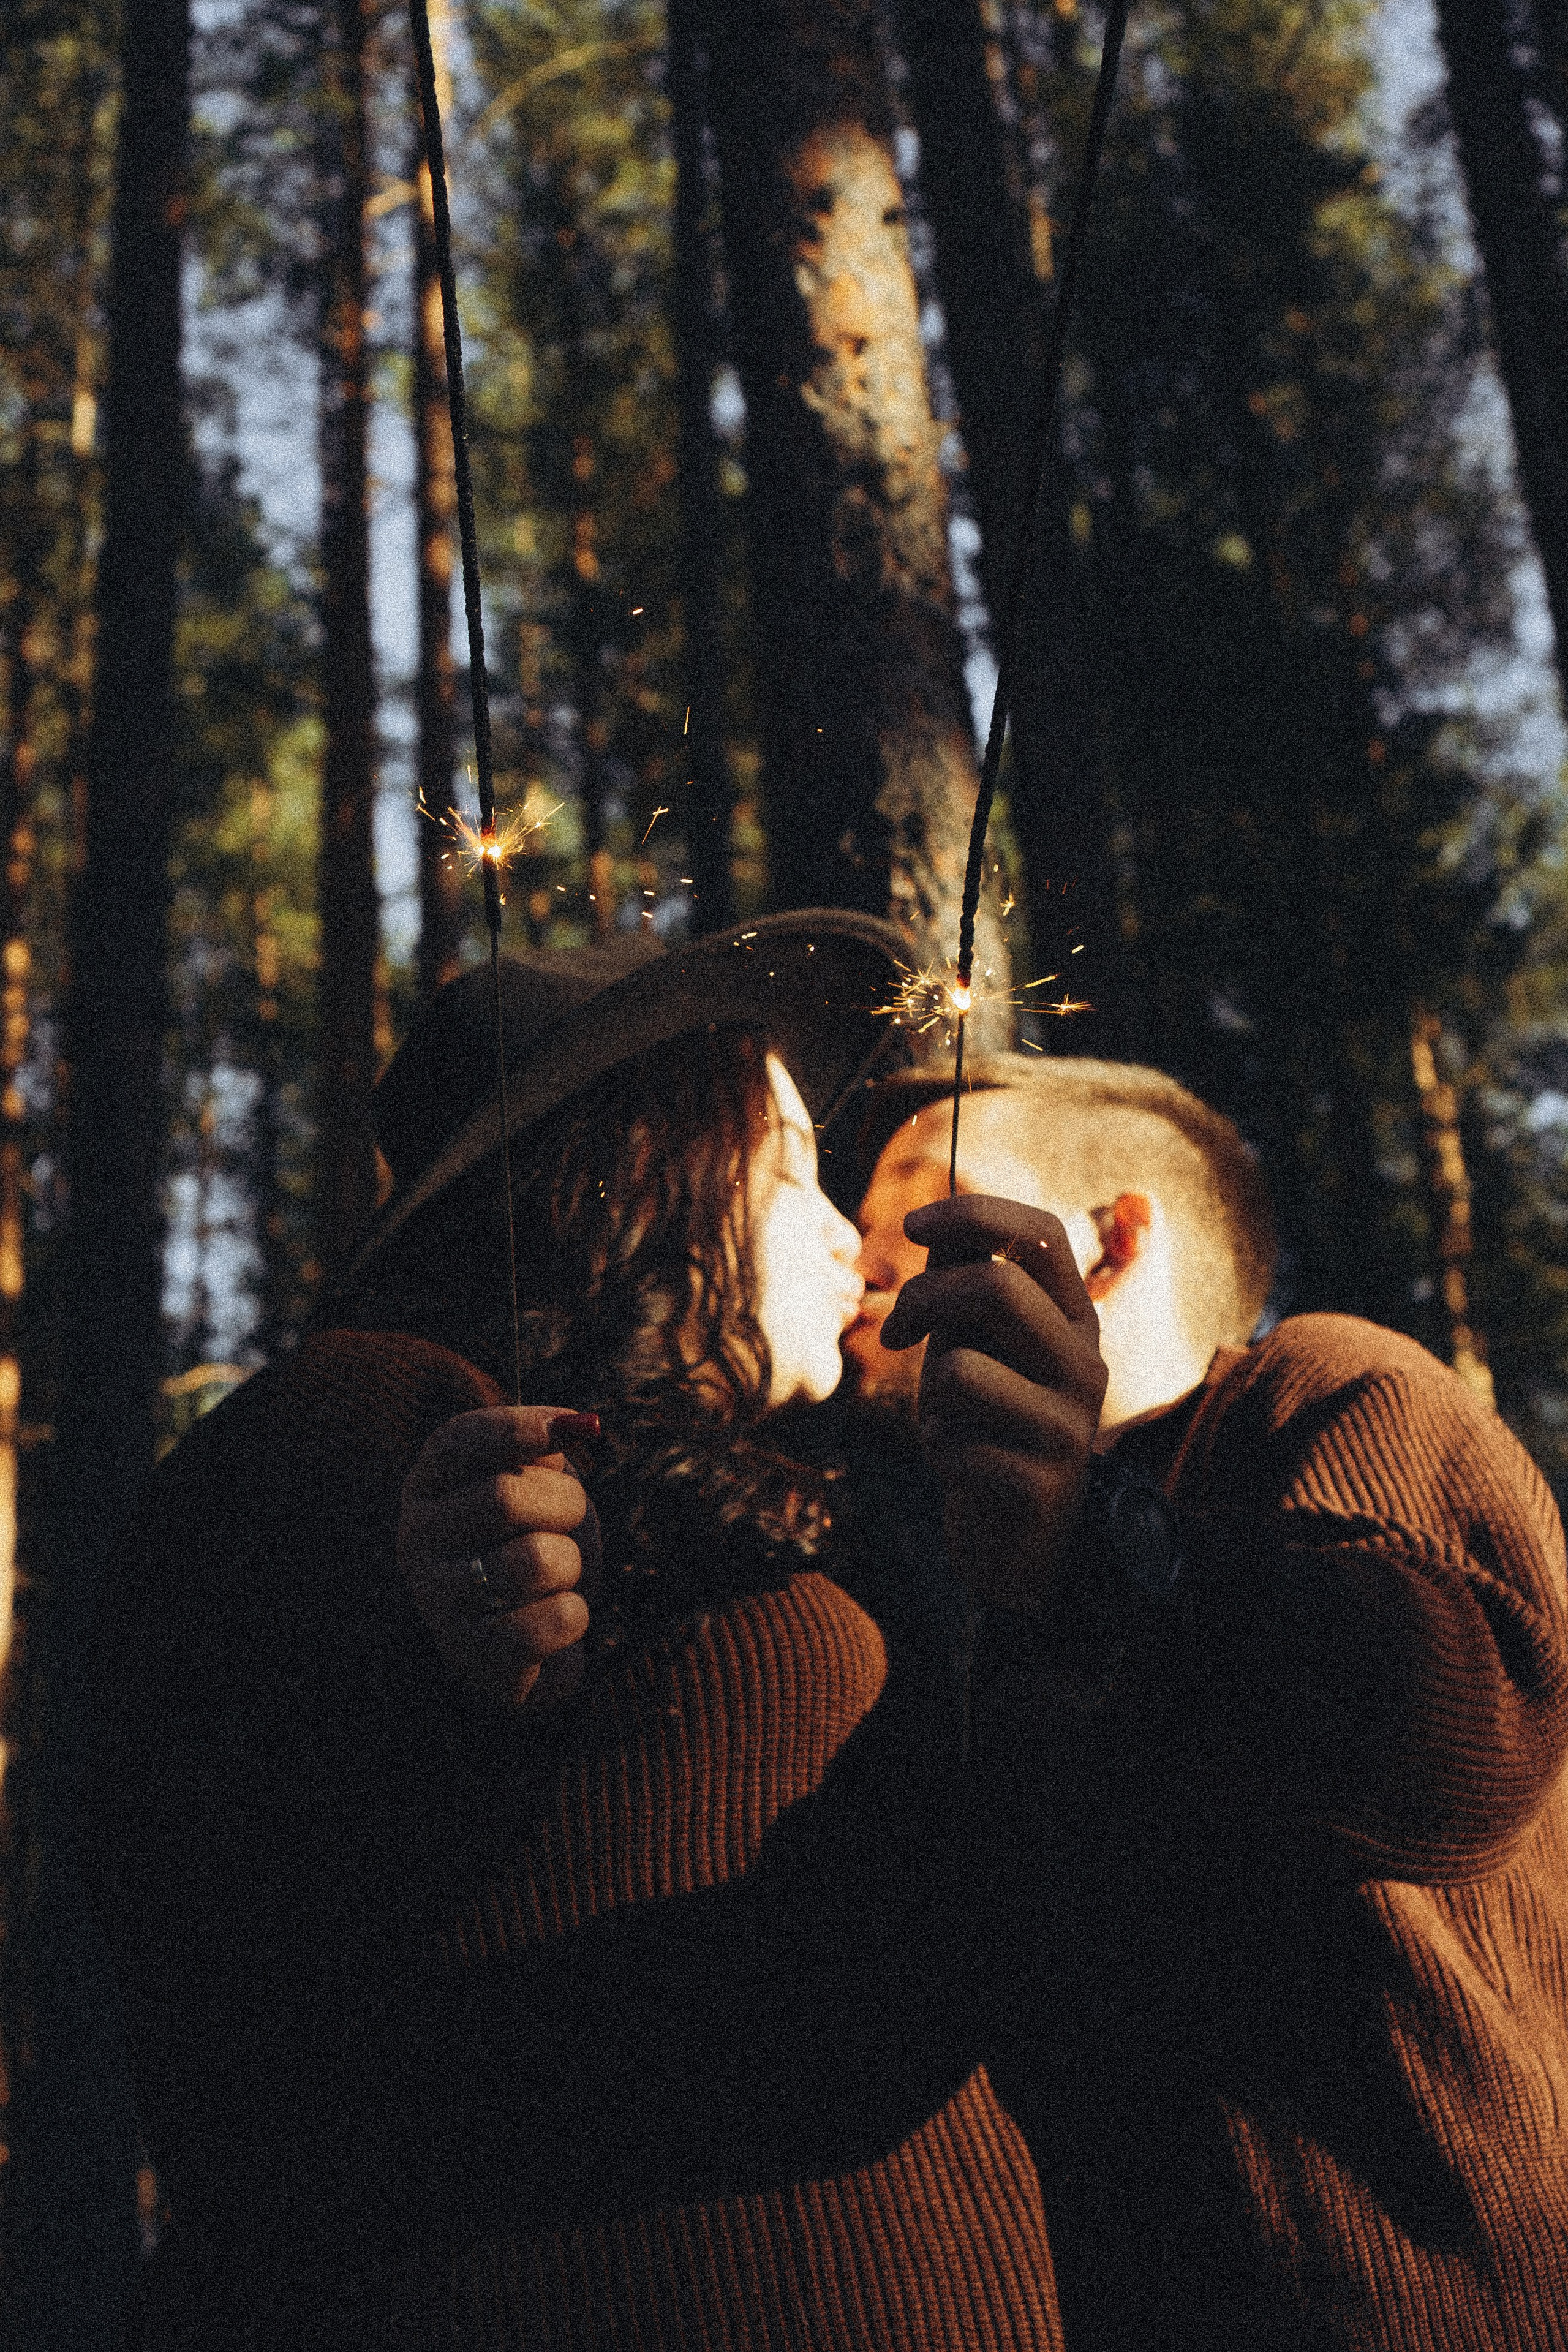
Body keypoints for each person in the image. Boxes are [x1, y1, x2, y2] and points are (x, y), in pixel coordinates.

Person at [83, 919, 1098, 2351]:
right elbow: (224, 1938)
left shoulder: (814, 1522)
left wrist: (1059, 1578)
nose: (839, 1225)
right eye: (795, 1163)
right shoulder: (380, 1412)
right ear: (641, 1168)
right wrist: (435, 1689)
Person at [851, 1051, 1568, 2351]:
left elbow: (1469, 1726)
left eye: (917, 1205)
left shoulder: (1326, 1385)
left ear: (1113, 1243)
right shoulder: (954, 1580)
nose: (869, 1260)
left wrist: (1105, 1555)